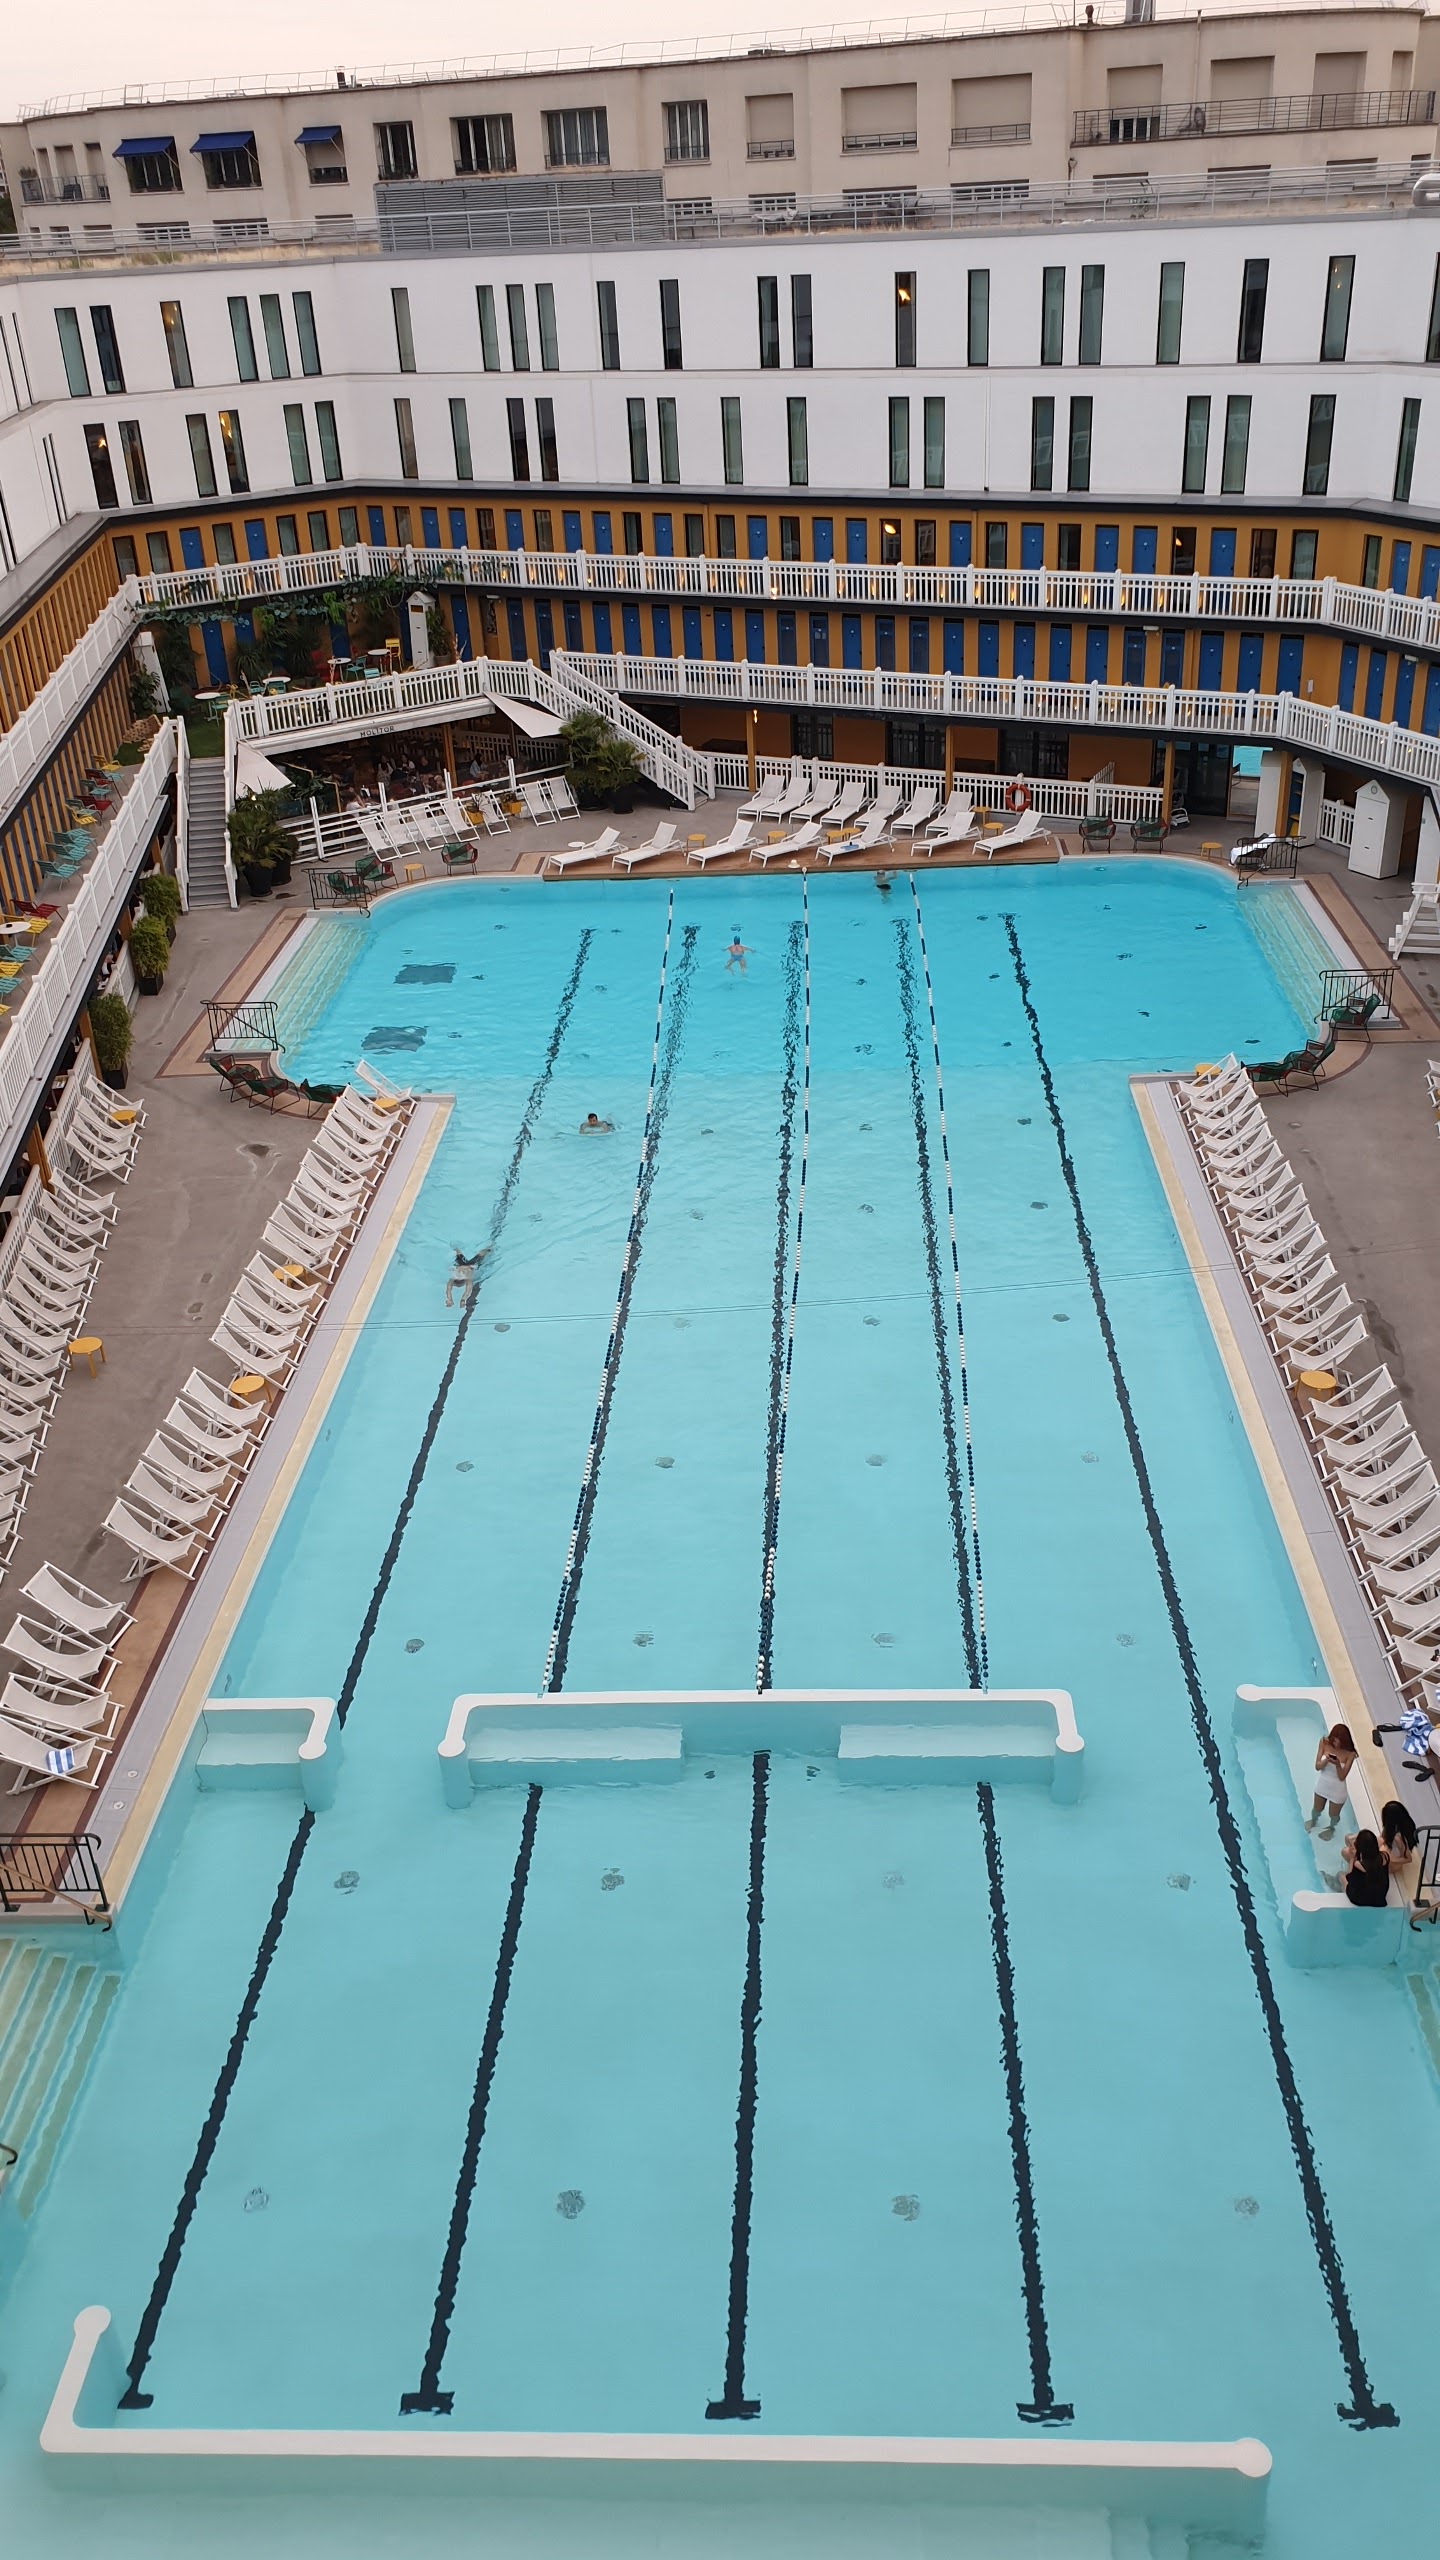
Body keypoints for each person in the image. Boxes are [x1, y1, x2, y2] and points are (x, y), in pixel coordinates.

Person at [1305, 1724, 1357, 1839]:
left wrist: (1338, 1764)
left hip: (1338, 1790)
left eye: (1339, 1742)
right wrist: (1326, 1761)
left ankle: (1331, 1828)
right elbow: (1317, 1766)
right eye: (1334, 1741)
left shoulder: (1350, 1754)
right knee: (1317, 1808)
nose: (1336, 1744)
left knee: (1333, 1815)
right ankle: (1313, 1821)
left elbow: (1342, 1776)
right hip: (1323, 1784)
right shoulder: (1324, 1742)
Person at [1339, 1829, 1389, 1907]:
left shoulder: (1359, 1864)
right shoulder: (1385, 1856)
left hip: (1362, 1899)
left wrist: (1352, 1858)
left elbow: (1349, 1877)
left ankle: (1338, 1887)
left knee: (1341, 1875)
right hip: (1380, 1896)